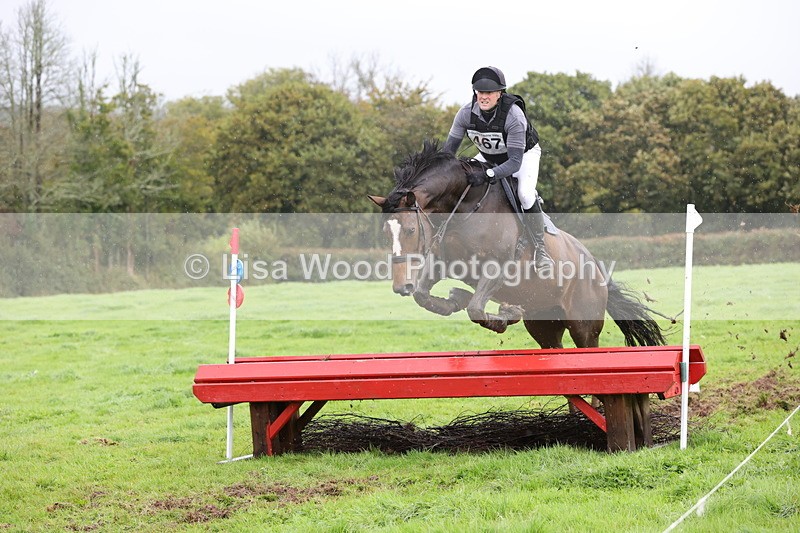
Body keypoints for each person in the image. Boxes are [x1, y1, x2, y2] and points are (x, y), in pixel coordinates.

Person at [441, 66, 554, 270]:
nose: (483, 97)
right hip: (488, 156)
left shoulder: (514, 116)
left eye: (489, 93)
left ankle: (540, 250)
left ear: (500, 94)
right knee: (463, 183)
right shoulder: (465, 114)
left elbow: (513, 163)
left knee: (525, 194)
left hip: (522, 157)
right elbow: (448, 154)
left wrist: (488, 174)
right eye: (480, 92)